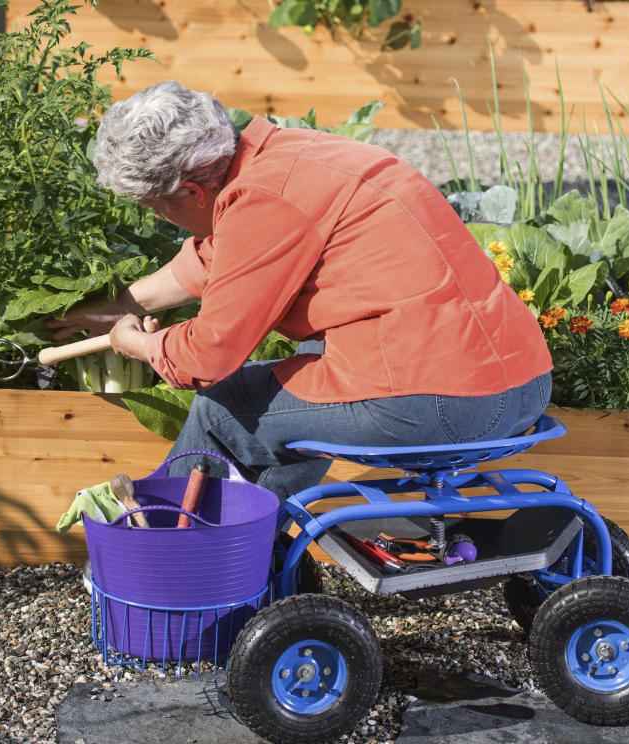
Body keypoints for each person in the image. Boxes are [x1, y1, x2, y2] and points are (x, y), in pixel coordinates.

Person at [49, 81, 553, 500]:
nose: (158, 218)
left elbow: (207, 357)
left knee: (224, 409)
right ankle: (257, 553)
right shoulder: (296, 156)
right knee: (306, 359)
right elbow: (220, 259)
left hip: (444, 403)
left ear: (191, 192)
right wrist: (122, 306)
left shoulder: (263, 203)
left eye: (156, 208)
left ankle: (173, 571)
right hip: (523, 385)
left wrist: (136, 343)